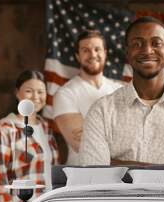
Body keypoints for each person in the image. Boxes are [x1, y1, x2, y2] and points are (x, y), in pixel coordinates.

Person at [79, 17, 164, 187]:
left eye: (156, 43)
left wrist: (115, 164)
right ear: (127, 52)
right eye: (137, 44)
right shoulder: (101, 110)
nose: (147, 50)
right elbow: (94, 176)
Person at [0, 70, 59, 202]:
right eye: (29, 91)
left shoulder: (46, 128)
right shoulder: (4, 130)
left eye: (41, 92)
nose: (36, 97)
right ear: (18, 94)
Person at [53, 30, 123, 165]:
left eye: (97, 49)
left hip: (118, 175)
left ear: (105, 53)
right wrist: (117, 132)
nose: (93, 55)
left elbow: (133, 138)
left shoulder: (119, 90)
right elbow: (80, 145)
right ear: (78, 56)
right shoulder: (65, 94)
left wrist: (91, 133)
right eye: (86, 50)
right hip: (81, 175)